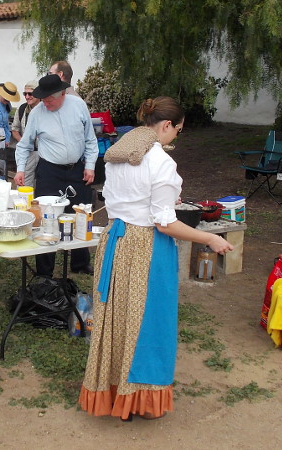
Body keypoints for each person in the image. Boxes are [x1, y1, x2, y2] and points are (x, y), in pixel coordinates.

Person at [78, 97, 234, 421]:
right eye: (177, 130)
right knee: (149, 324)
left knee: (117, 319)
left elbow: (124, 199)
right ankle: (139, 401)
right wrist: (210, 237)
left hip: (114, 242)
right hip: (146, 247)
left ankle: (113, 392)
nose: (175, 136)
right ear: (166, 126)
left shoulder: (120, 154)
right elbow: (165, 223)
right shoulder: (161, 163)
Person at [14, 74, 98, 276]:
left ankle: (79, 263)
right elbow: (24, 145)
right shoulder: (37, 114)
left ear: (62, 93)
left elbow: (90, 139)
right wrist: (20, 169)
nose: (45, 103)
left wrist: (91, 165)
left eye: (49, 99)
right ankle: (44, 270)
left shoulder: (78, 105)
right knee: (47, 219)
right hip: (49, 171)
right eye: (42, 99)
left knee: (80, 214)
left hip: (77, 169)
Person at [11, 80, 40, 187]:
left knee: (43, 184)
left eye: (30, 94)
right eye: (25, 94)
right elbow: (15, 129)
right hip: (28, 152)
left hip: (45, 153)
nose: (27, 97)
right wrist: (24, 142)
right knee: (24, 184)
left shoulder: (46, 109)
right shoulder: (22, 109)